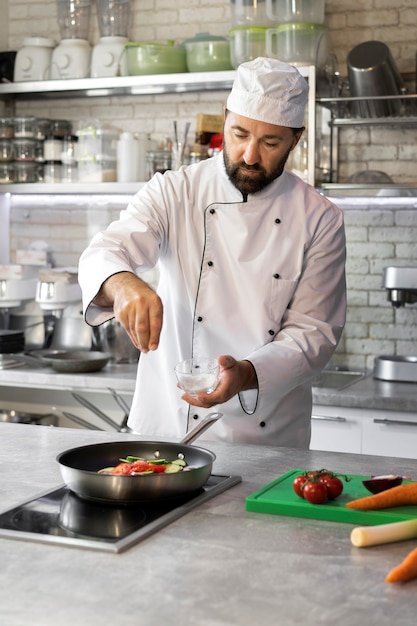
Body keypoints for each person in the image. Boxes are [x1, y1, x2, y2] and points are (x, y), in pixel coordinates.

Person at [78, 57, 346, 448]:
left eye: (270, 142)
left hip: (266, 439)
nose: (250, 155)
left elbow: (312, 334)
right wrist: (122, 285)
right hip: (168, 427)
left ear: (296, 138)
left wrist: (247, 373)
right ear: (225, 118)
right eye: (239, 134)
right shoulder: (174, 191)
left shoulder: (319, 219)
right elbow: (106, 249)